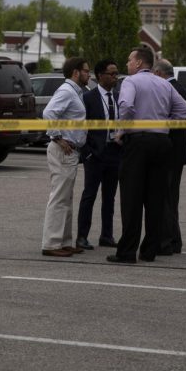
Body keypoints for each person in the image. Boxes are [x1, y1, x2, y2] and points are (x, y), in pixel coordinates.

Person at [107, 47, 186, 264]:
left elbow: (126, 105)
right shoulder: (164, 83)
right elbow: (184, 111)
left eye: (129, 60)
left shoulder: (131, 82)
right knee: (155, 199)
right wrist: (164, 123)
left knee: (132, 198)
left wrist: (121, 130)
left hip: (138, 143)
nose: (127, 64)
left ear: (137, 63)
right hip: (162, 143)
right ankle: (149, 251)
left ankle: (126, 252)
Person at [41, 57, 90, 257]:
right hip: (63, 150)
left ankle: (64, 241)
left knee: (67, 198)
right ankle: (51, 244)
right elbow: (48, 113)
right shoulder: (66, 91)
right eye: (86, 71)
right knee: (59, 198)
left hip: (71, 152)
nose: (89, 74)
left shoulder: (75, 92)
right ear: (76, 73)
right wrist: (58, 137)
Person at [76, 59, 121, 250]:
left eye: (117, 73)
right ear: (100, 76)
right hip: (94, 155)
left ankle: (107, 235)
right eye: (112, 74)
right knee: (89, 196)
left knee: (109, 198)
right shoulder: (88, 98)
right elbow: (81, 128)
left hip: (115, 153)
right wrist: (86, 153)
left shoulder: (119, 97)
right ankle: (81, 236)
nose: (115, 77)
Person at [153, 58, 186, 255]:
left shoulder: (170, 90)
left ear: (159, 74)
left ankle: (166, 242)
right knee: (171, 198)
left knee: (166, 199)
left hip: (169, 152)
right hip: (178, 153)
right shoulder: (181, 88)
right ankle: (175, 241)